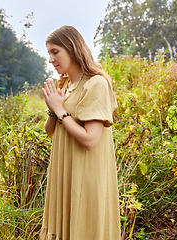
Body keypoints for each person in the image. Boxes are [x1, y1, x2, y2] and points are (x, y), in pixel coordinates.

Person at [40, 25, 121, 239]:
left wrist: (60, 110)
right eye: (49, 53)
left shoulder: (96, 83)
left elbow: (90, 140)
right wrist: (52, 108)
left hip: (86, 173)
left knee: (85, 228)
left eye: (55, 51)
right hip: (65, 169)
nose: (50, 59)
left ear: (72, 48)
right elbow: (50, 131)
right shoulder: (65, 84)